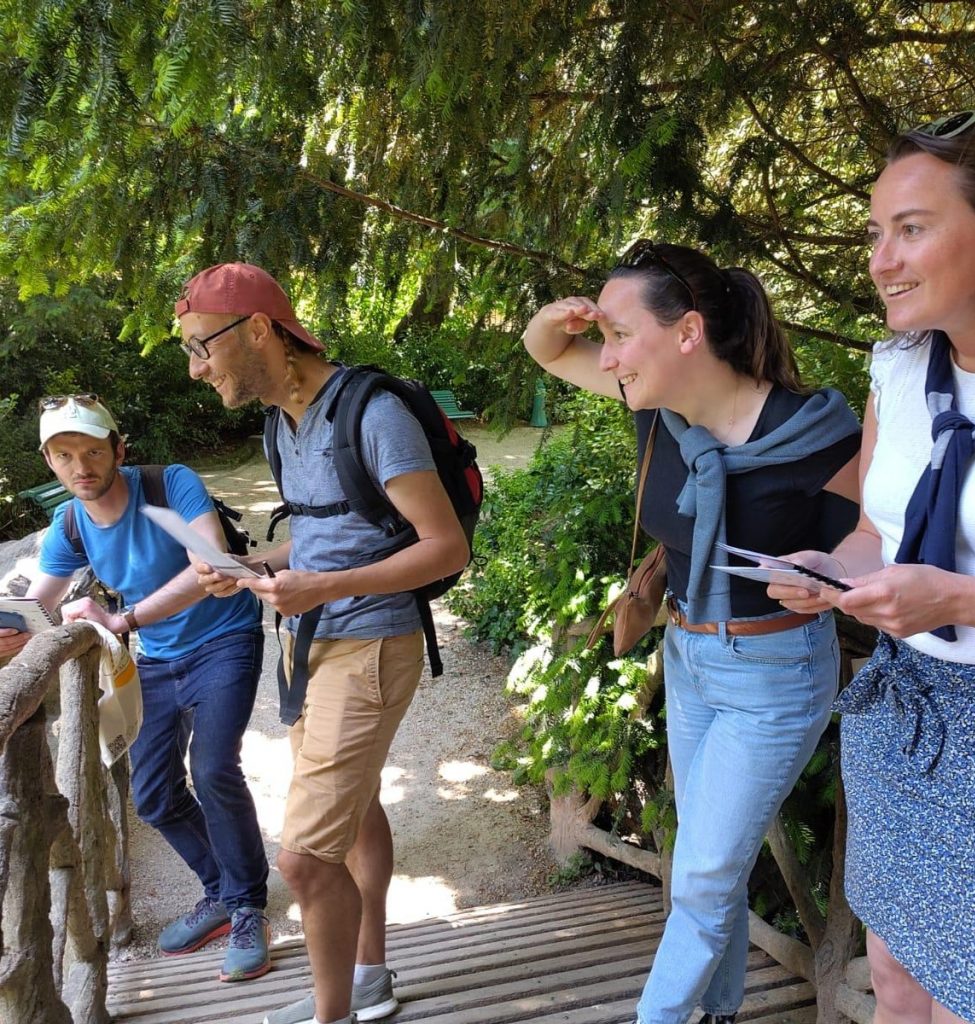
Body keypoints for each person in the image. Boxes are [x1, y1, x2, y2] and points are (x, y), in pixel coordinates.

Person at [523, 241, 860, 1024]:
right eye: (600, 337)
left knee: (704, 876)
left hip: (774, 671)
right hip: (689, 654)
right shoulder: (653, 408)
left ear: (687, 333)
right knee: (712, 864)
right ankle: (718, 1011)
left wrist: (829, 581)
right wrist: (564, 317)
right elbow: (547, 350)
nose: (604, 357)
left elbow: (862, 554)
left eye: (617, 334)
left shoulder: (818, 435)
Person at [770, 111, 975, 1024]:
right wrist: (825, 567)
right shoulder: (898, 368)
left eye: (911, 229)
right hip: (908, 705)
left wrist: (957, 598)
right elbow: (879, 535)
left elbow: (945, 580)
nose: (881, 259)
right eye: (877, 233)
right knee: (897, 972)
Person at [175, 263, 469, 1024]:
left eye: (203, 347)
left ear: (261, 330)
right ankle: (368, 972)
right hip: (308, 643)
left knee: (304, 861)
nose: (197, 369)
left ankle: (331, 1014)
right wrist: (246, 568)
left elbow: (444, 549)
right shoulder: (282, 423)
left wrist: (322, 589)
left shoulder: (372, 414)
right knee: (359, 808)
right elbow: (319, 538)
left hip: (370, 645)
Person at [0, 395, 271, 981]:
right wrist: (12, 630)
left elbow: (213, 564)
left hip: (225, 639)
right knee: (152, 795)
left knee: (215, 766)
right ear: (49, 462)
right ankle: (221, 891)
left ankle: (248, 905)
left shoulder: (169, 485)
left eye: (93, 451)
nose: (81, 467)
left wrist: (123, 620)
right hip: (156, 660)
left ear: (119, 451)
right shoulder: (70, 522)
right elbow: (37, 602)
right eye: (65, 455)